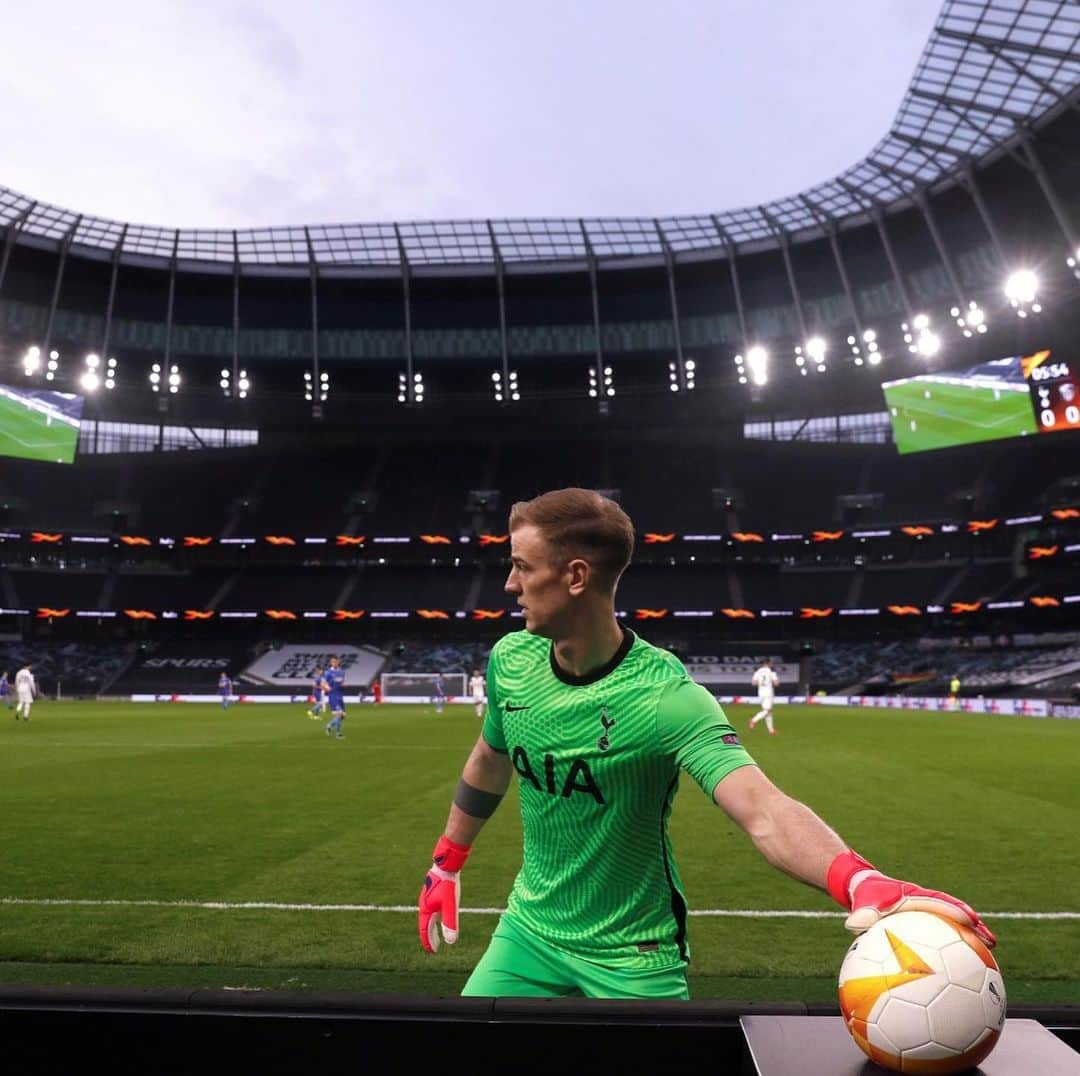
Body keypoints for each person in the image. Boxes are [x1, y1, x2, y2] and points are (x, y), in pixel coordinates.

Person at [417, 488, 995, 1000]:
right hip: (529, 932)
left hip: (634, 955)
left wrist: (858, 879)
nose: (509, 584)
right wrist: (447, 863)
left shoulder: (665, 696)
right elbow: (490, 757)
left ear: (575, 576)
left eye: (522, 566)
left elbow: (761, 808)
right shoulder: (509, 661)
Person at [749, 657, 781, 735]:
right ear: (769, 663)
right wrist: (777, 681)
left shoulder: (758, 672)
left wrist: (760, 683)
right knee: (767, 711)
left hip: (760, 693)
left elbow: (753, 683)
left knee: (768, 711)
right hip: (768, 693)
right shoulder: (771, 672)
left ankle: (771, 730)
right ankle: (754, 720)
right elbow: (776, 683)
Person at [324, 655, 346, 739]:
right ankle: (338, 734)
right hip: (333, 696)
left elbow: (342, 682)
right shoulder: (328, 672)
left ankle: (329, 725)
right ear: (330, 662)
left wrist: (343, 684)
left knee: (343, 716)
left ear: (338, 662)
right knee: (339, 714)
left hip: (340, 696)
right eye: (332, 661)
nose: (333, 663)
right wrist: (327, 687)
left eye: (335, 661)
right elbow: (323, 683)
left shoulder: (342, 672)